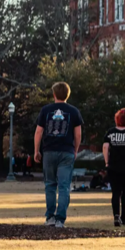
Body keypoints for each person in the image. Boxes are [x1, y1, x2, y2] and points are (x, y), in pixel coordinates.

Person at [34, 81, 84, 228]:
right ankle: (60, 219)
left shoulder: (46, 110)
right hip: (66, 151)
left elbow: (38, 132)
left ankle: (50, 217)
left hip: (49, 151)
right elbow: (78, 133)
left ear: (54, 94)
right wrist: (75, 149)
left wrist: (37, 150)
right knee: (64, 186)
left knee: (50, 184)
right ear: (67, 95)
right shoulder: (74, 111)